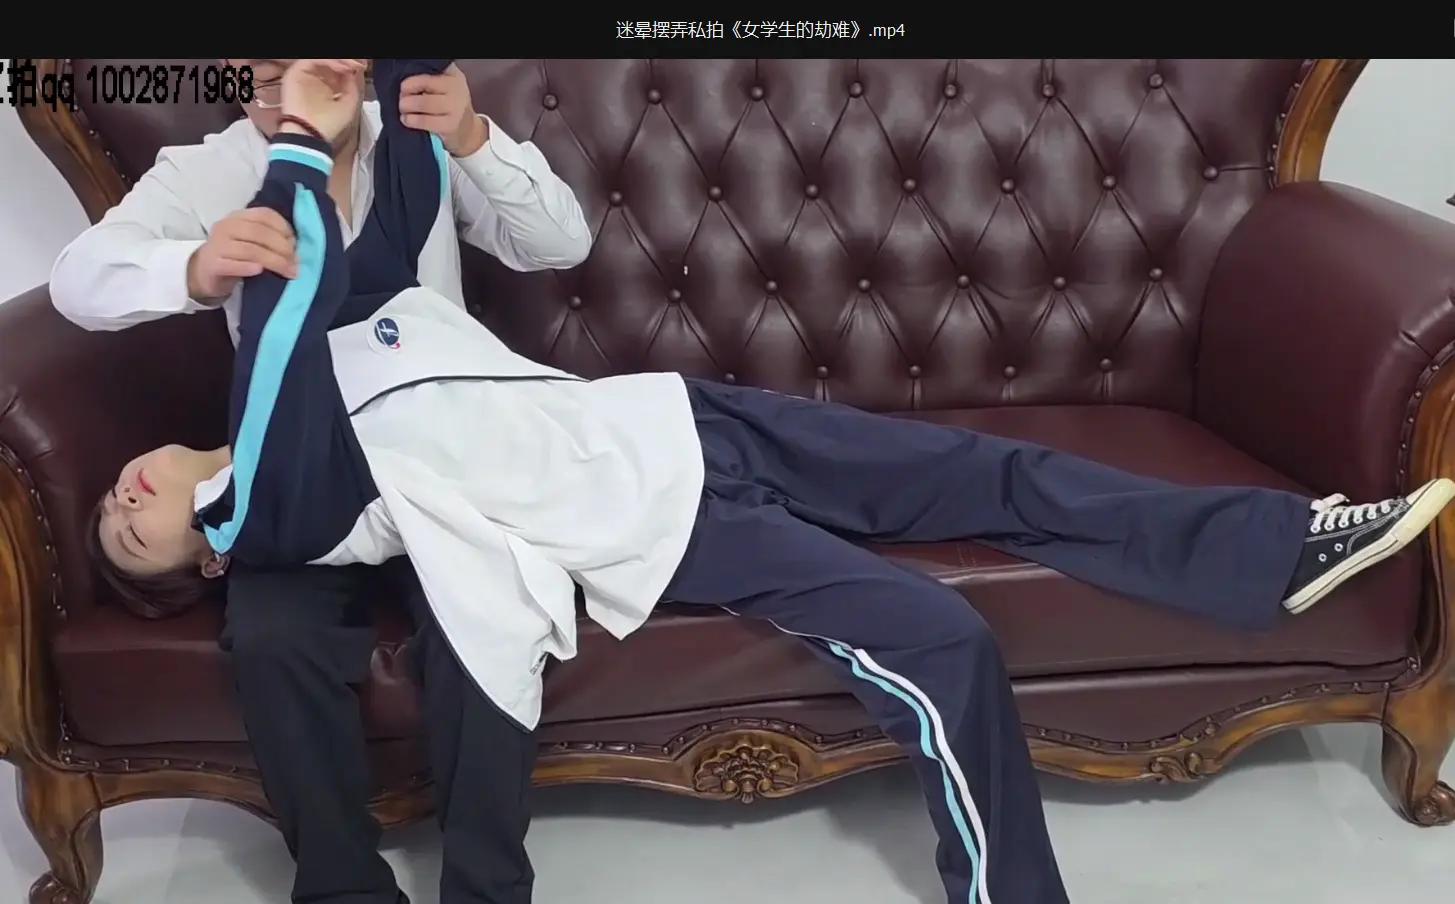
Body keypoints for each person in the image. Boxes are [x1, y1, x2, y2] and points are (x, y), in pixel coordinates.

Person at [86, 58, 1455, 904]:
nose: (124, 490)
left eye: (114, 495)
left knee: (984, 468)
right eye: (130, 527)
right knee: (939, 631)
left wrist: (473, 140)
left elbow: (544, 241)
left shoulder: (400, 177)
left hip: (667, 419)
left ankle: (1267, 548)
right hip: (629, 513)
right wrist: (201, 258)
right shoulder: (273, 422)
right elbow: (168, 293)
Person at [54, 59, 591, 904]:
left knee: (485, 624)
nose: (286, 96)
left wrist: (472, 137)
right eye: (265, 79)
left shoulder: (413, 134)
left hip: (435, 460)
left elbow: (562, 243)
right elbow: (77, 281)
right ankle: (342, 888)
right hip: (299, 473)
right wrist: (193, 267)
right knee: (271, 639)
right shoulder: (208, 173)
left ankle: (487, 890)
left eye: (311, 69)